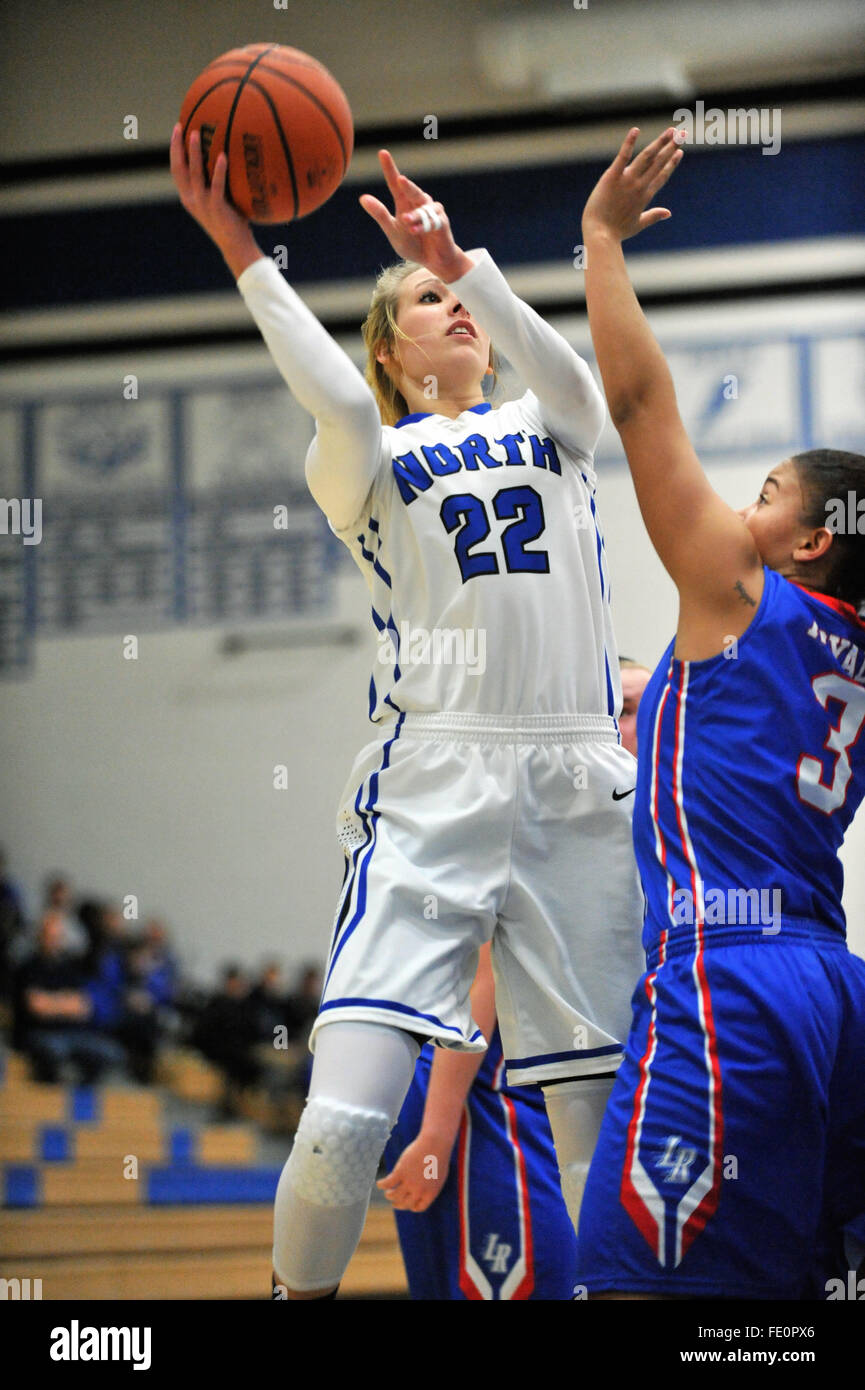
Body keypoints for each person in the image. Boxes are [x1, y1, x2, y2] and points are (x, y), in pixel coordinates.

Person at [171, 126, 645, 1300]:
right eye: (430, 301)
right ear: (390, 350)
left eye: (460, 297)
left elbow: (582, 383)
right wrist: (240, 244)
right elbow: (332, 396)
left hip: (578, 783)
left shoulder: (552, 429)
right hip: (431, 782)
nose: (458, 310)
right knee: (337, 1128)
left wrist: (464, 257)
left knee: (595, 1135)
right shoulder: (368, 457)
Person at [575, 126, 865, 1300]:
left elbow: (641, 405)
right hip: (831, 984)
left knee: (624, 1287)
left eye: (764, 494)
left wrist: (598, 241)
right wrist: (650, 691)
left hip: (724, 979)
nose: (738, 506)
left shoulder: (738, 589)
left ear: (807, 543)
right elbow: (737, 720)